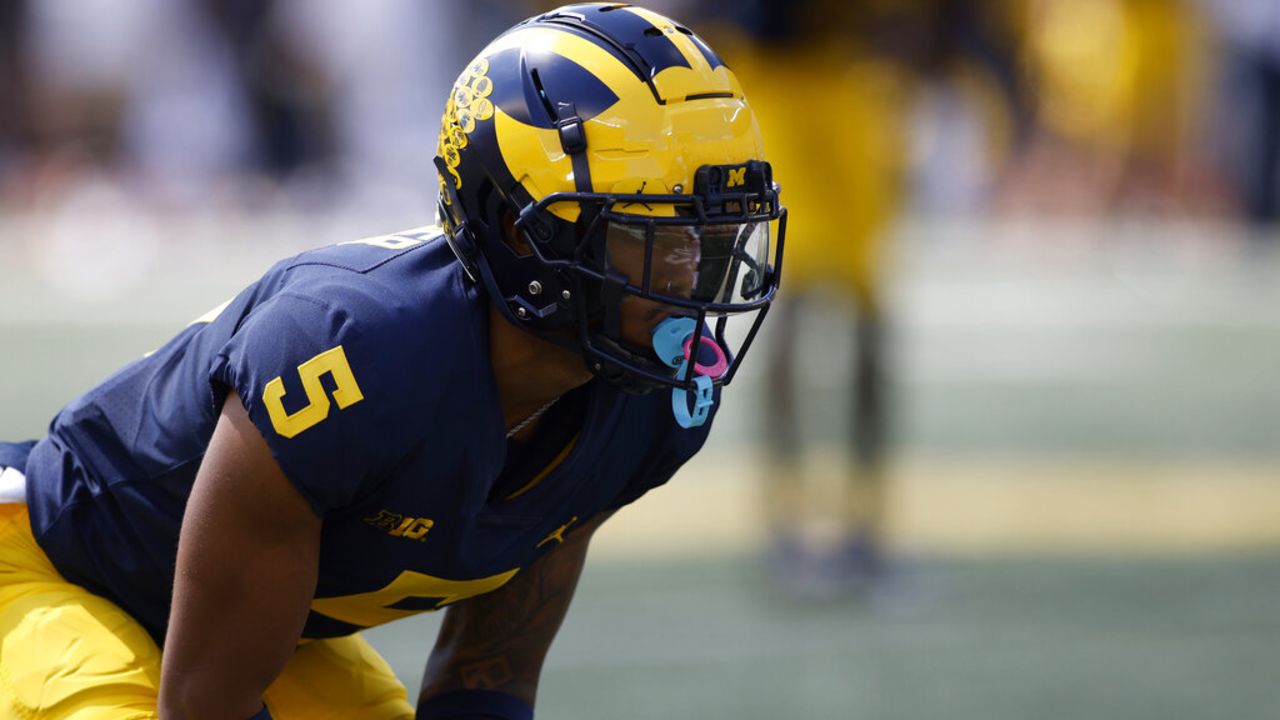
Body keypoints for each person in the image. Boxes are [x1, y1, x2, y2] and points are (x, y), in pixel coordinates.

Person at [0, 4, 784, 718]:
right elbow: (207, 704)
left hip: (209, 619)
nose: (694, 275)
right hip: (44, 571)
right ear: (526, 234)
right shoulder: (355, 353)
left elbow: (486, 683)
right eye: (660, 234)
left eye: (713, 235)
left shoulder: (644, 397)